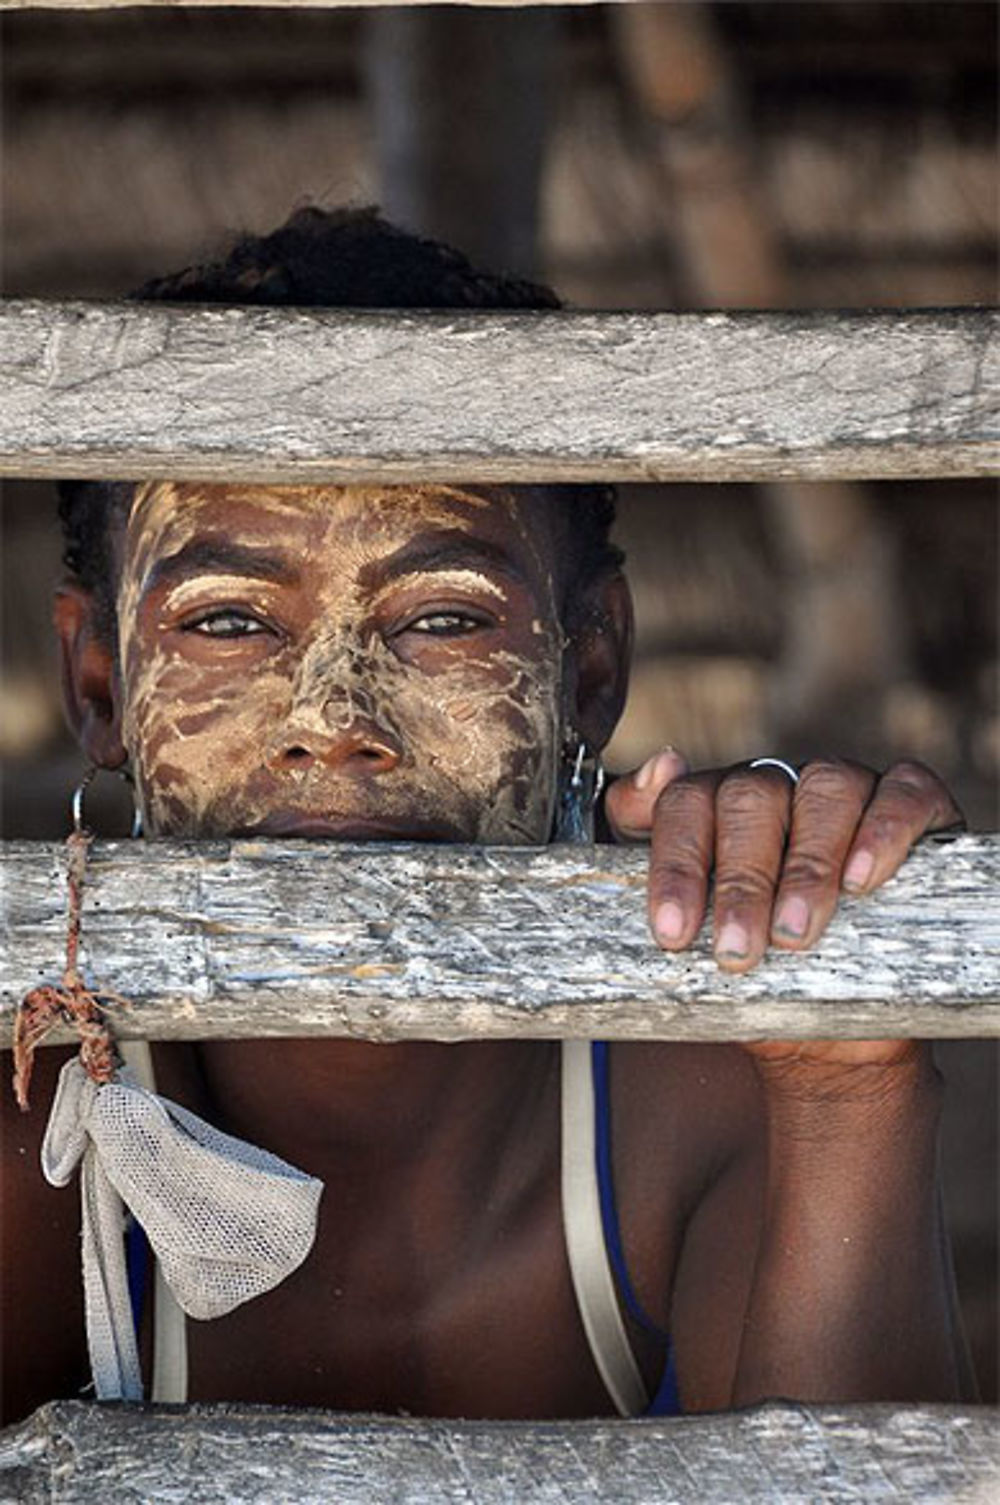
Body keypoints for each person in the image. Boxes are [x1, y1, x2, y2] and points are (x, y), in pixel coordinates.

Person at [1, 208, 972, 1426]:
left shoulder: (714, 1088)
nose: (332, 718)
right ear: (99, 687)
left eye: (443, 618)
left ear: (592, 670)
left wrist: (847, 1082)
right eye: (229, 620)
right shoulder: (38, 1131)